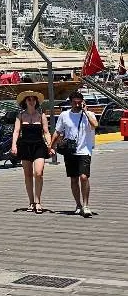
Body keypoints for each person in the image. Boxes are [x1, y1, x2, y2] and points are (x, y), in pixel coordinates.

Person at [52, 88, 98, 217]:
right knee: (74, 179)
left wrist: (85, 111)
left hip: (85, 150)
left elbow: (95, 125)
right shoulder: (64, 115)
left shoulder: (89, 115)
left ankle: (86, 205)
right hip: (70, 151)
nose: (77, 104)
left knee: (84, 177)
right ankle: (78, 204)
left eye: (79, 102)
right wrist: (51, 146)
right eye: (74, 102)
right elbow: (58, 132)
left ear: (83, 102)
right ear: (71, 102)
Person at [11, 89, 53, 213]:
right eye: (28, 99)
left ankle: (38, 201)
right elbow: (16, 132)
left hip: (39, 146)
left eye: (33, 99)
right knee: (28, 175)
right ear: (25, 101)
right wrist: (14, 145)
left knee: (38, 173)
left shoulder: (41, 115)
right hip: (24, 146)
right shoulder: (20, 116)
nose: (31, 101)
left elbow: (46, 132)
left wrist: (50, 146)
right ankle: (31, 202)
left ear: (36, 101)